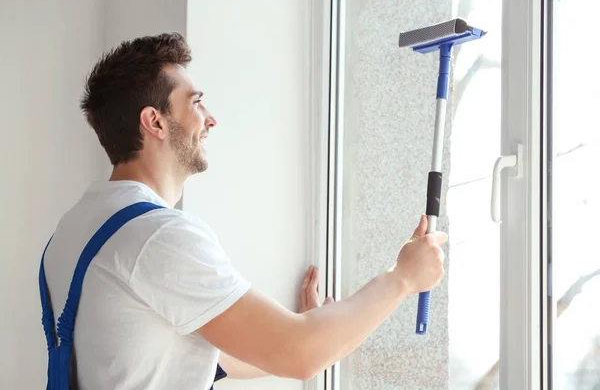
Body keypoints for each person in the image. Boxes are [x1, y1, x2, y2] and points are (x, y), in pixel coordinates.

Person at [39, 32, 448, 389]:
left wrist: (313, 331)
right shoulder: (158, 236)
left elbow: (197, 358)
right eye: (196, 102)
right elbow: (300, 353)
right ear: (155, 123)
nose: (211, 119)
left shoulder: (75, 229)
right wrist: (403, 278)